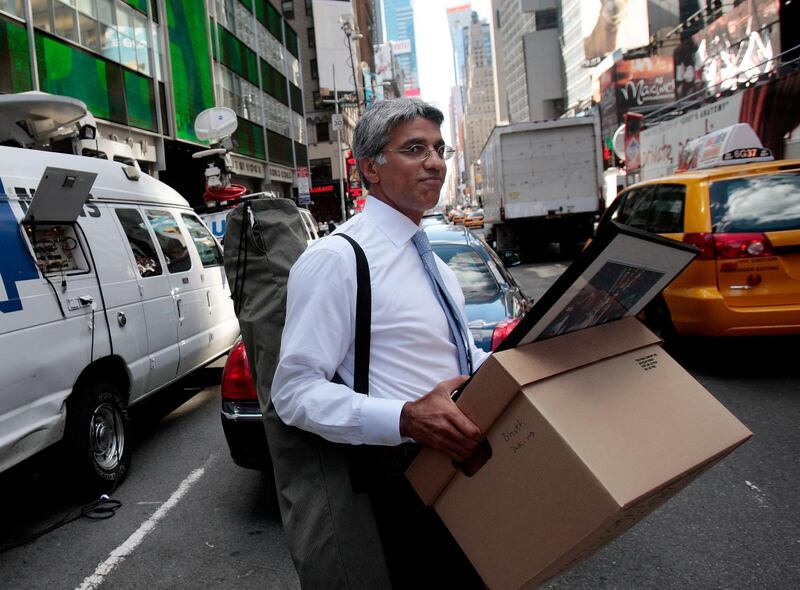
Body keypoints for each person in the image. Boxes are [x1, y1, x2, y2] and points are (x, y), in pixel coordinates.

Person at [272, 97, 490, 588]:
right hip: (402, 479)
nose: (434, 162)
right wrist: (405, 418)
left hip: (464, 462)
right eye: (415, 148)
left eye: (439, 148)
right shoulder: (338, 258)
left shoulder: (431, 259)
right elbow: (293, 392)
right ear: (371, 167)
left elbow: (456, 355)